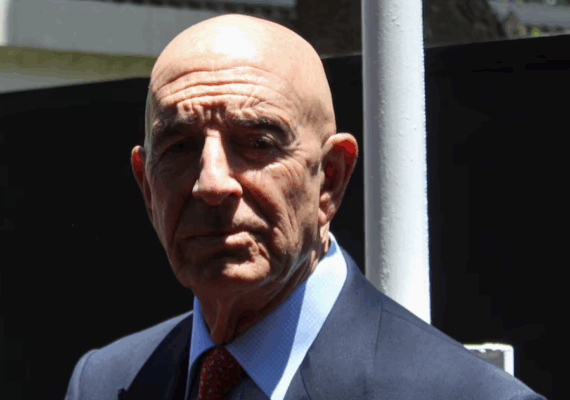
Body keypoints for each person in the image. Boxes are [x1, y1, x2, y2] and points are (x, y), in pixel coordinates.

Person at [64, 14, 547, 400]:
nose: (212, 183)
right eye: (179, 147)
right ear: (147, 187)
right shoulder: (104, 384)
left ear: (330, 178)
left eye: (257, 143)